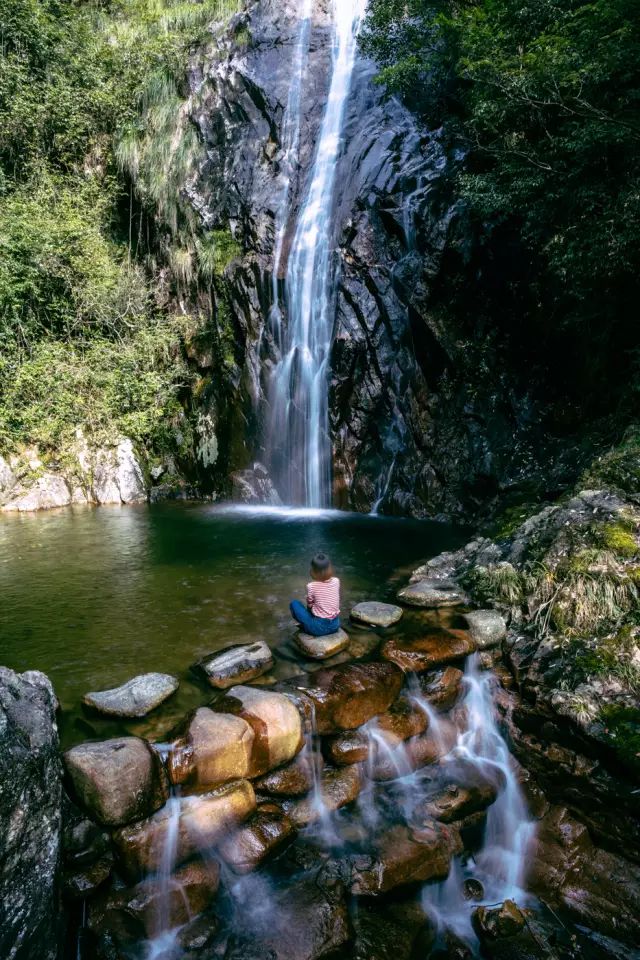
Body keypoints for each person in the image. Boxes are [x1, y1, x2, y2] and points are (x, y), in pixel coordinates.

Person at [290, 553, 341, 637]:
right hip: (335, 625)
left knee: (294, 603)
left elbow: (310, 604)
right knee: (320, 604)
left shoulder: (311, 586)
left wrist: (310, 609)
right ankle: (311, 622)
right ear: (329, 568)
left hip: (319, 628)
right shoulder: (336, 581)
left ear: (313, 571)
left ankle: (306, 626)